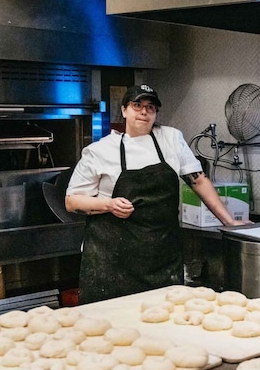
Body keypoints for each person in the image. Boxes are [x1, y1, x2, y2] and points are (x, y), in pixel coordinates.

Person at [66, 84, 246, 304]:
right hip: (113, 259)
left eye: (150, 107)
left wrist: (229, 223)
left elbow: (198, 180)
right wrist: (109, 204)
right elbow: (71, 201)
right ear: (124, 110)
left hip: (162, 255)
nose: (144, 111)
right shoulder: (100, 151)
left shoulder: (170, 139)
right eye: (137, 105)